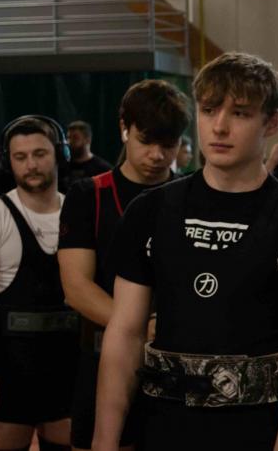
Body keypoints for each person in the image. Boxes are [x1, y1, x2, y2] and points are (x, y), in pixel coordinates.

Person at [92, 52, 278, 451]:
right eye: (209, 110)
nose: (220, 127)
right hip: (162, 427)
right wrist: (104, 443)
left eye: (240, 113)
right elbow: (123, 335)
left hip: (257, 430)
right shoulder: (150, 212)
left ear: (272, 123)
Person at [58, 80, 191, 451]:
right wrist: (139, 328)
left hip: (175, 362)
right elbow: (76, 288)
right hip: (104, 354)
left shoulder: (191, 195)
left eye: (168, 145)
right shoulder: (90, 194)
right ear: (124, 128)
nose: (157, 156)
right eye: (146, 142)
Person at [0, 116, 79, 451]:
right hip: (11, 371)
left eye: (40, 154)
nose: (31, 164)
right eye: (20, 157)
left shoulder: (77, 212)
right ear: (9, 162)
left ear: (60, 154)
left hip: (67, 369)